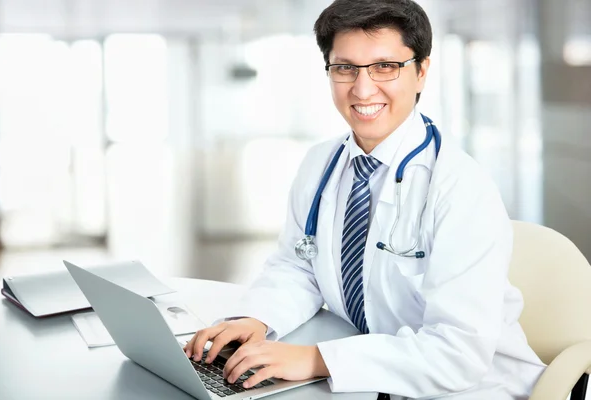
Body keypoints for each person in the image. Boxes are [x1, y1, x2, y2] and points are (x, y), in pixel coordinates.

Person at [185, 0, 546, 398]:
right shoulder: (321, 163)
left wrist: (315, 360)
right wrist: (257, 317)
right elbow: (299, 267)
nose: (362, 88)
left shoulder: (460, 188)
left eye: (385, 66)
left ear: (422, 71)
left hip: (477, 387)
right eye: (345, 68)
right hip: (371, 376)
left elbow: (458, 353)